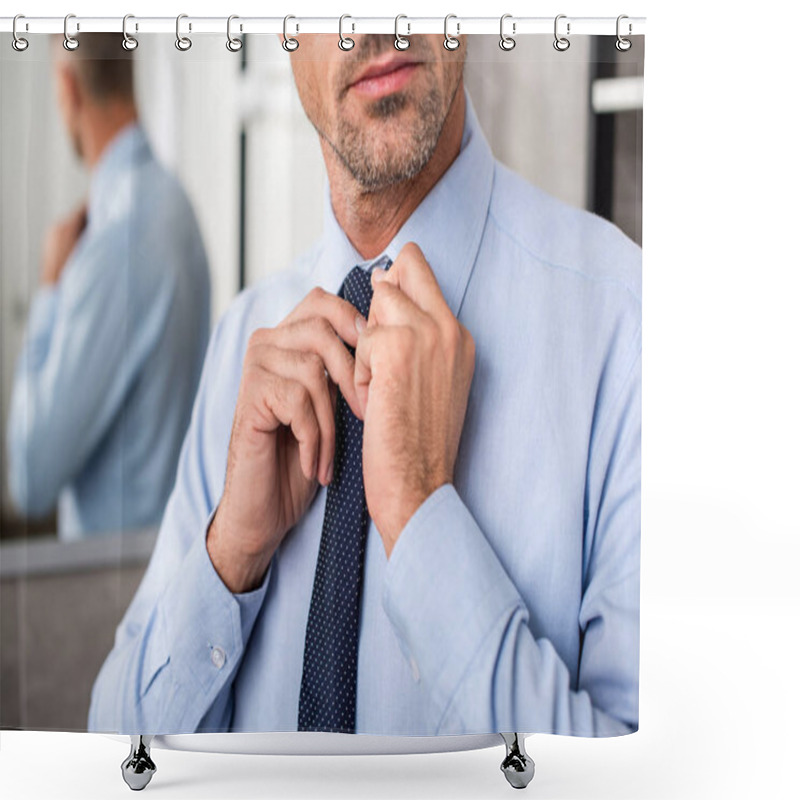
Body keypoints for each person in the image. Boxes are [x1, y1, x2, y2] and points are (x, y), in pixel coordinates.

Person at [89, 33, 640, 737]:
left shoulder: (630, 331)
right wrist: (230, 556)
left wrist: (419, 517)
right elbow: (108, 750)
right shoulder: (242, 341)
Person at [6, 35, 211, 540]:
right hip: (166, 554)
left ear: (67, 86)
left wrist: (51, 292)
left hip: (110, 589)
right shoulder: (175, 206)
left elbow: (29, 477)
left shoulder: (116, 238)